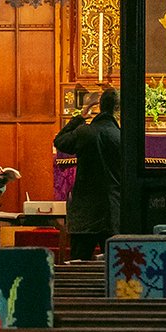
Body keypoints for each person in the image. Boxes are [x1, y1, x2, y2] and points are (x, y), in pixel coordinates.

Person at [54, 87, 121, 260]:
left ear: (99, 106)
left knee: (79, 261)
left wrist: (81, 117)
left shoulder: (85, 131)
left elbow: (60, 141)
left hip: (85, 209)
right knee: (115, 264)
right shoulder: (122, 135)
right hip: (113, 209)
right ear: (117, 109)